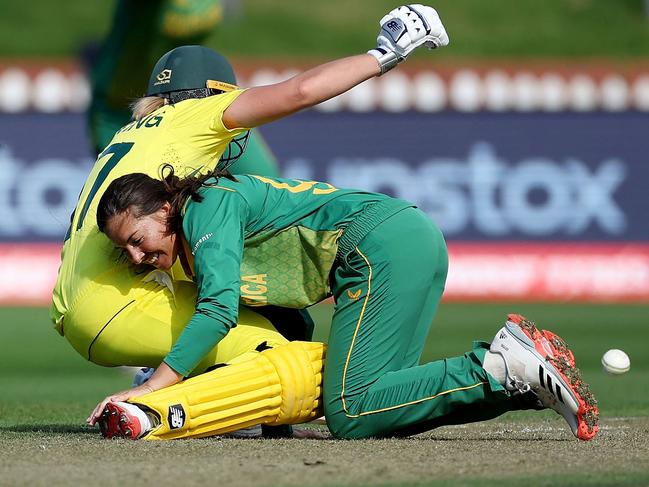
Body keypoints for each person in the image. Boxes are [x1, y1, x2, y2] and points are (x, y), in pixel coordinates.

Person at [86, 5, 599, 441]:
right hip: (394, 238)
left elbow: (300, 90)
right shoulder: (198, 214)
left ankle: (499, 366)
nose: (134, 258)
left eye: (136, 240)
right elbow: (284, 325)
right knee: (378, 401)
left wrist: (153, 386)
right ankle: (520, 379)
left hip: (378, 246)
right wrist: (271, 417)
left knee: (351, 409)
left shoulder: (204, 201)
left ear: (162, 209)